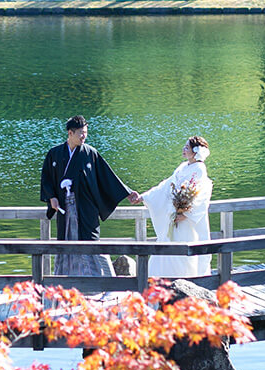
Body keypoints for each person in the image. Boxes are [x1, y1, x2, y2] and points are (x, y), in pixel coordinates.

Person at [40, 116, 139, 276]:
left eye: (85, 133)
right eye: (80, 133)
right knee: (65, 243)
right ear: (70, 133)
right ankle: (65, 281)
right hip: (65, 208)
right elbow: (47, 178)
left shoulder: (90, 153)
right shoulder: (55, 153)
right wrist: (51, 197)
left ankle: (105, 280)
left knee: (92, 243)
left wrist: (127, 192)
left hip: (86, 208)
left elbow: (107, 176)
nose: (84, 136)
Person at [131, 135, 213, 278]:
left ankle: (184, 284)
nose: (183, 149)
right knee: (166, 245)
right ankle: (159, 283)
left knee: (182, 250)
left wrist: (186, 213)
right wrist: (143, 196)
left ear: (195, 151)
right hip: (174, 216)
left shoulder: (200, 169)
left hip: (186, 220)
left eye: (187, 147)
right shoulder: (182, 167)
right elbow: (166, 186)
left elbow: (201, 195)